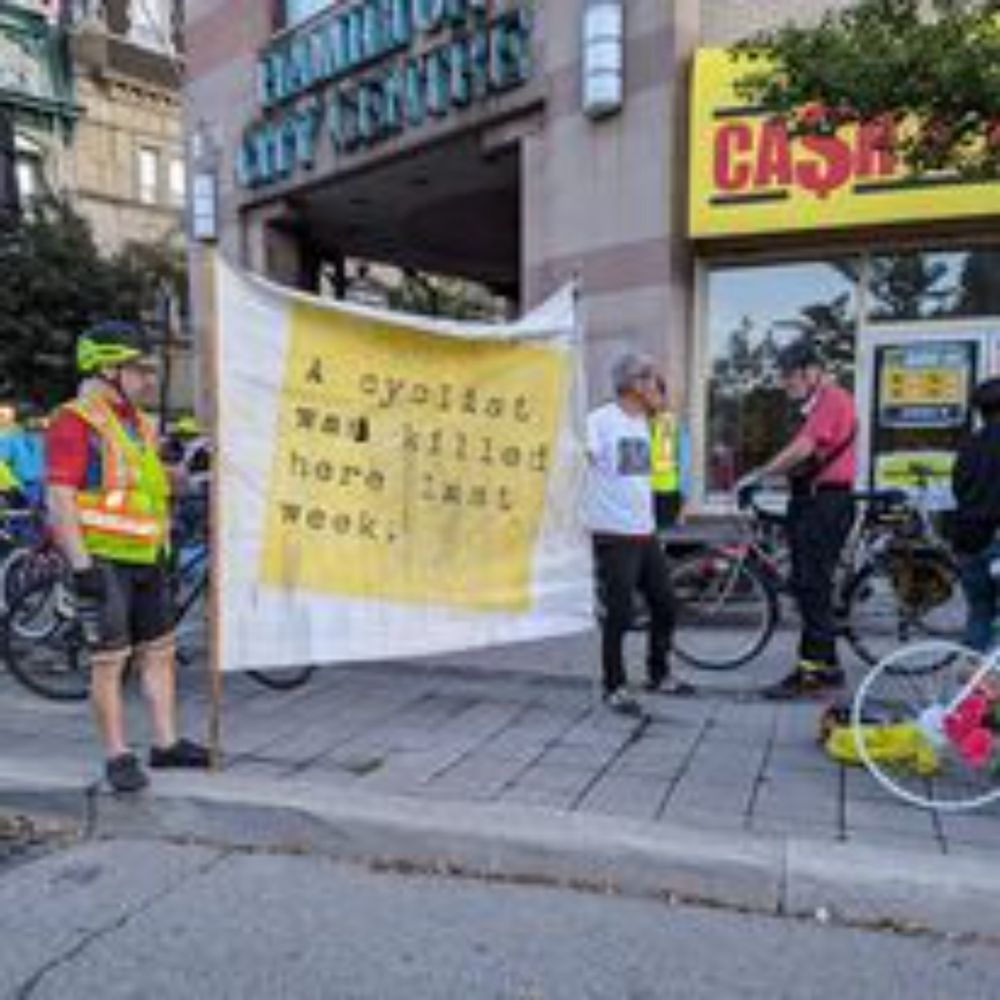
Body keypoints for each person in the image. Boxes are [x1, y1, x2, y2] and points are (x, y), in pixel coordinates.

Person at [46, 320, 209, 793]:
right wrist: (81, 567)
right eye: (140, 370)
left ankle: (166, 744)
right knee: (109, 660)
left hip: (148, 557)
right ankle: (118, 755)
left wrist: (197, 470)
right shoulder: (73, 421)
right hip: (103, 561)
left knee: (159, 653)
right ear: (108, 369)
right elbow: (60, 498)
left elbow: (159, 486)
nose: (150, 380)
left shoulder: (140, 423)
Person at [740, 340, 857, 699]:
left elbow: (804, 448)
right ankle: (828, 667)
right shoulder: (817, 404)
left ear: (811, 371)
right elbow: (807, 457)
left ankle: (813, 674)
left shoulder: (831, 399)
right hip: (811, 503)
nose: (785, 383)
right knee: (811, 587)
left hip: (825, 504)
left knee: (812, 588)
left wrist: (759, 474)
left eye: (789, 375)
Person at [585, 352, 694, 715]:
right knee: (620, 613)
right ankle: (614, 686)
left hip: (644, 532)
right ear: (633, 383)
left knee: (665, 604)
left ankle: (658, 674)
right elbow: (576, 464)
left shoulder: (648, 423)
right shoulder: (600, 421)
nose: (657, 384)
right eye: (651, 377)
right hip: (613, 534)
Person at [949, 376, 1000, 652]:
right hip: (996, 538)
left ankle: (973, 686)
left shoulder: (969, 445)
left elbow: (958, 488)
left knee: (980, 613)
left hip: (968, 540)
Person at [648, 373, 691, 532]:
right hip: (638, 494)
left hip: (667, 494)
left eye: (654, 393)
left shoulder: (675, 424)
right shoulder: (635, 423)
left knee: (660, 543)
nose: (650, 398)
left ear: (662, 396)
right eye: (646, 393)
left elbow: (685, 464)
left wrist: (684, 506)